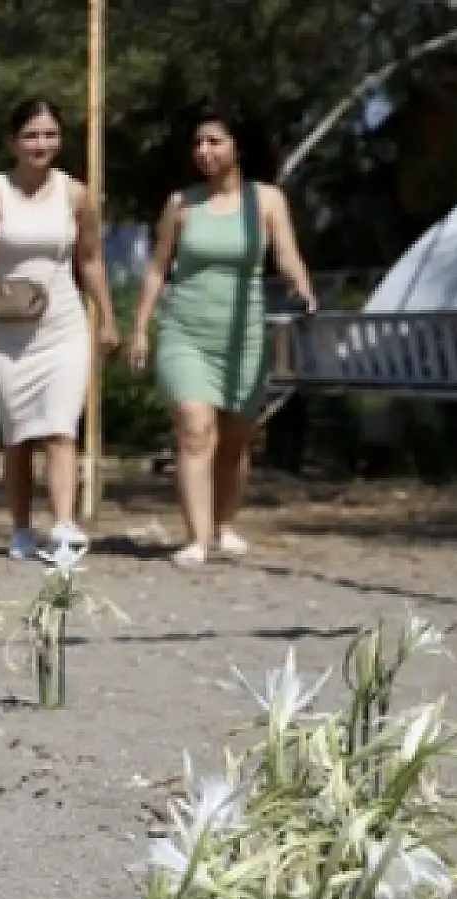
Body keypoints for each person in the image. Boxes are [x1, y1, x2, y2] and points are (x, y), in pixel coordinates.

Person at [128, 106, 317, 568]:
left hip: (243, 335)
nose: (204, 152)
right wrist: (140, 328)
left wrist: (303, 288)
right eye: (198, 143)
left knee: (234, 440)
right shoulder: (181, 204)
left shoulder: (266, 201)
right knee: (195, 430)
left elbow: (287, 256)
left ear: (238, 148)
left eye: (214, 142)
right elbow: (157, 269)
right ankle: (195, 539)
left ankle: (224, 524)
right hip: (185, 331)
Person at [0, 98, 119, 561]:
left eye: (49, 135)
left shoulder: (75, 195)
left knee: (61, 427)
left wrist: (107, 316)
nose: (40, 144)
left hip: (62, 325)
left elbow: (89, 260)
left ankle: (65, 525)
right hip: (5, 330)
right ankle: (21, 527)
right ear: (13, 142)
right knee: (18, 436)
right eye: (30, 135)